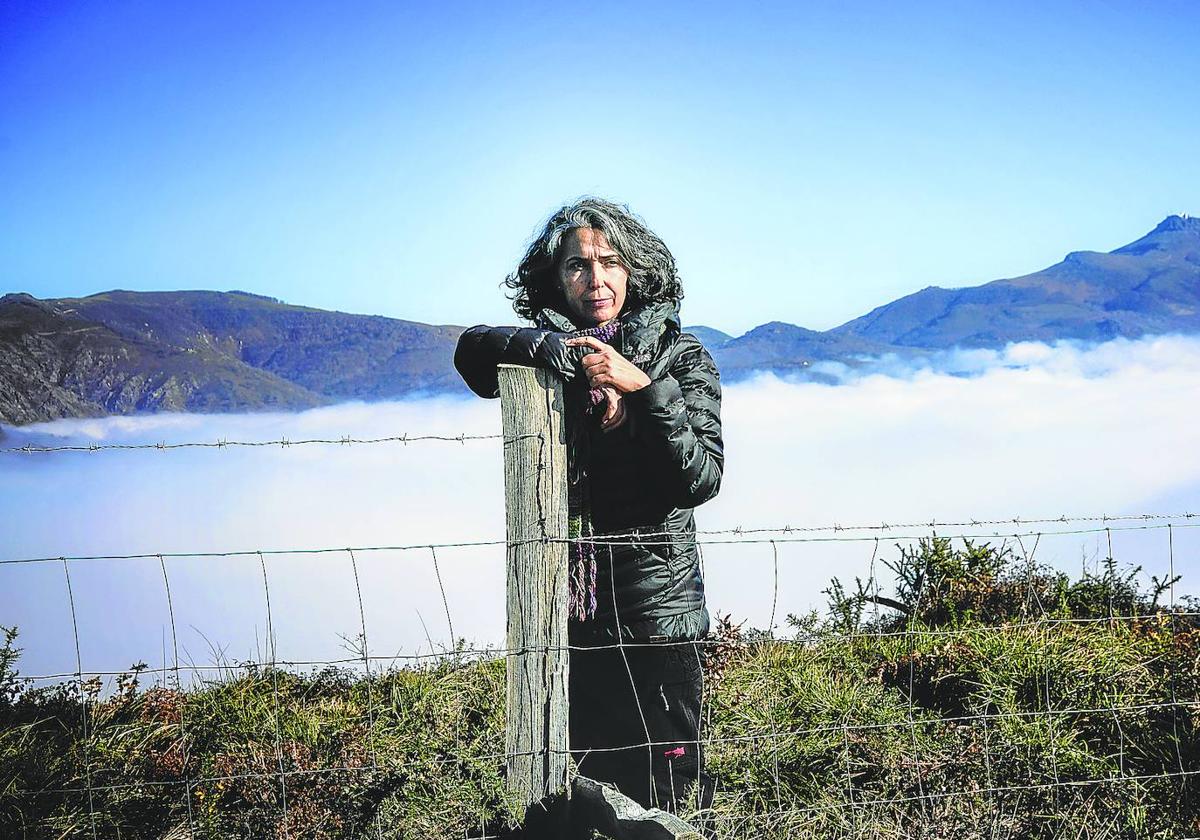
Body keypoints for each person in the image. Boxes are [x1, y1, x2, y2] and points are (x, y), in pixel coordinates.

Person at [453, 197, 723, 815]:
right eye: (577, 265)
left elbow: (699, 479)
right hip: (565, 617)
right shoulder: (549, 356)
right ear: (554, 277)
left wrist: (642, 388)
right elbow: (472, 350)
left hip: (654, 616)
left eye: (610, 262)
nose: (595, 280)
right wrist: (557, 352)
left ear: (636, 272)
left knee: (668, 796)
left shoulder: (681, 359)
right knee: (573, 793)